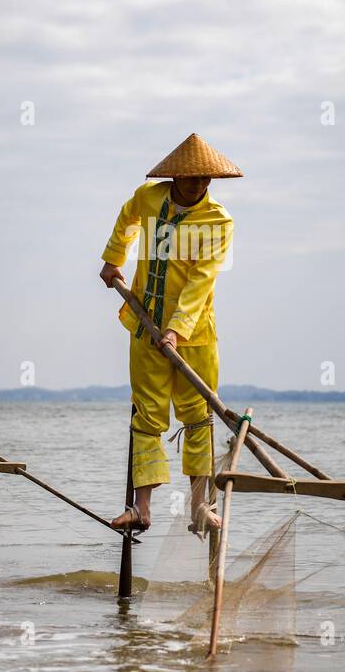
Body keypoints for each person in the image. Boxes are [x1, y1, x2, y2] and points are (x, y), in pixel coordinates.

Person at [98, 133, 241, 534]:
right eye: (193, 178)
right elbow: (126, 220)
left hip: (195, 337)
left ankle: (200, 508)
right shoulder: (148, 198)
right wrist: (112, 260)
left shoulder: (218, 220)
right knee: (147, 416)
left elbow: (201, 281)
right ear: (175, 176)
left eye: (206, 179)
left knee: (197, 419)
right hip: (144, 326)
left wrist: (176, 330)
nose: (201, 185)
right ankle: (141, 509)